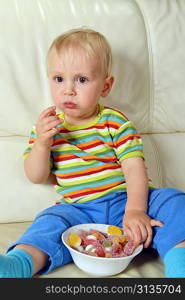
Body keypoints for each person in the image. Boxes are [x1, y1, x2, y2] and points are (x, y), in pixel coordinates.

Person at [0, 28, 185, 278]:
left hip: (125, 202)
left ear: (105, 86)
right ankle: (18, 264)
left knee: (173, 201)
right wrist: (42, 144)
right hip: (78, 210)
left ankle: (179, 263)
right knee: (49, 221)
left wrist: (135, 210)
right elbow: (36, 176)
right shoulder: (46, 126)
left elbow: (134, 168)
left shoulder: (115, 122)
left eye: (82, 80)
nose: (68, 90)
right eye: (58, 79)